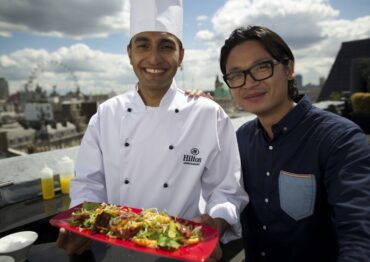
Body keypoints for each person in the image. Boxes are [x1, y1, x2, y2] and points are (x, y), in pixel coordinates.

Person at [57, 0, 249, 260]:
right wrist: (81, 225)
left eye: (167, 46)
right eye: (143, 44)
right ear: (130, 54)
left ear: (181, 56)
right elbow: (88, 183)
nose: (154, 58)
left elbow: (227, 189)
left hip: (183, 249)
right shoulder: (107, 114)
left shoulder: (208, 114)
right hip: (114, 248)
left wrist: (215, 223)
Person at [218, 25, 370, 261]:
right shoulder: (241, 138)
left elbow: (359, 233)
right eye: (236, 75)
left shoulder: (339, 140)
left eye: (261, 67)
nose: (249, 83)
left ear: (289, 69)